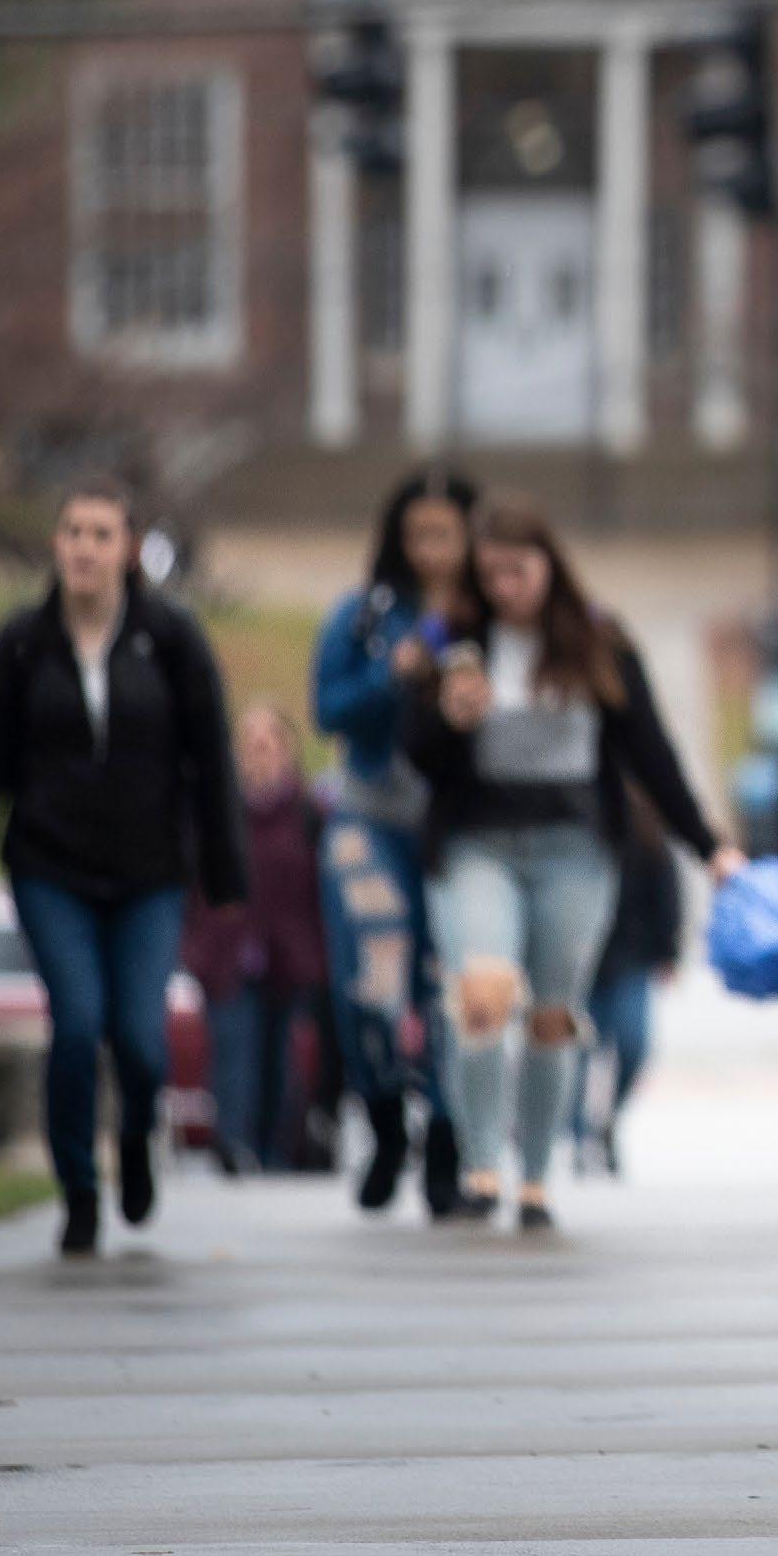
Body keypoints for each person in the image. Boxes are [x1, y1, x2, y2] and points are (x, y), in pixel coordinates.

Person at [406, 493, 744, 1232]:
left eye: (519, 572)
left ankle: (535, 1179)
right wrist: (448, 719)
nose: (505, 589)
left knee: (554, 1015)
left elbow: (650, 752)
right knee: (482, 994)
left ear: (550, 567)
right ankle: (482, 1166)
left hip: (574, 849)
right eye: (491, 575)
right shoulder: (452, 641)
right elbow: (416, 755)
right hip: (477, 843)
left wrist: (708, 845)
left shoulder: (598, 643)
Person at [0, 476, 247, 1258]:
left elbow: (212, 760)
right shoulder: (21, 645)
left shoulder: (170, 638)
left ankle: (136, 1136)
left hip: (149, 875)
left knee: (140, 1040)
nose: (84, 547)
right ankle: (78, 1188)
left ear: (128, 549)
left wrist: (225, 873)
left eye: (101, 534)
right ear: (56, 543)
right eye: (73, 531)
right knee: (76, 1026)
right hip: (52, 871)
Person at [311, 468, 477, 1217]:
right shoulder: (365, 617)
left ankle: (445, 1143)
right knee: (371, 980)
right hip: (370, 818)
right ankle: (383, 1120)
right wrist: (392, 673)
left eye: (446, 534)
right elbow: (327, 709)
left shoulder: (486, 616)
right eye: (418, 534)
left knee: (451, 987)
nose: (432, 550)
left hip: (457, 825)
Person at [182, 700, 329, 1176]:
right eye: (249, 745)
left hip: (290, 959)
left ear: (287, 750)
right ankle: (234, 1147)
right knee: (232, 1052)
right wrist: (193, 946)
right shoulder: (213, 812)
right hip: (226, 956)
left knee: (282, 1060)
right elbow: (190, 885)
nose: (258, 754)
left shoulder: (309, 814)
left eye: (267, 744)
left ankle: (275, 1154)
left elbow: (320, 891)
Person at [571, 790, 682, 1177]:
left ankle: (609, 1121)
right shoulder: (576, 827)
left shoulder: (647, 834)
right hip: (580, 958)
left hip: (632, 958)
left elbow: (668, 894)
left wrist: (669, 951)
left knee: (634, 1043)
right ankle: (577, 1132)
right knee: (577, 1050)